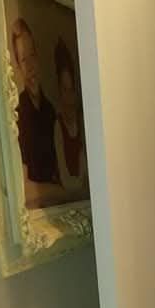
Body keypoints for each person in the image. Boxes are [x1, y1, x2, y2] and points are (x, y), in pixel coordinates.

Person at [10, 18, 66, 209]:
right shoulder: (17, 115)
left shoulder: (50, 111)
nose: (31, 67)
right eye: (24, 60)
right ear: (18, 66)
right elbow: (24, 192)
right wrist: (62, 192)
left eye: (32, 56)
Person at [53, 37, 88, 200]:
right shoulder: (58, 127)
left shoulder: (84, 123)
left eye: (71, 89)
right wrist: (80, 183)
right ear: (60, 92)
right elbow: (66, 180)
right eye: (64, 90)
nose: (68, 97)